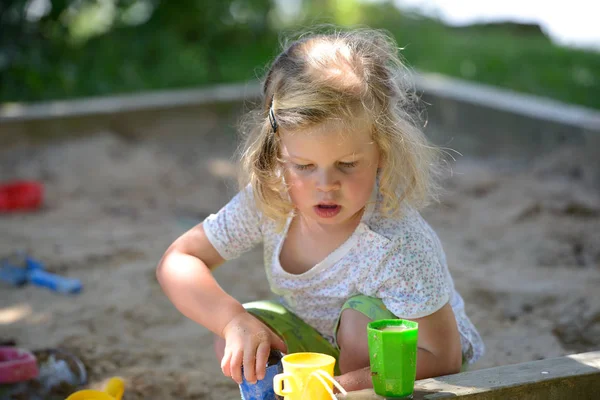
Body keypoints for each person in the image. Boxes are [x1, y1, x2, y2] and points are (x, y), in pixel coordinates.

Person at [156, 27, 484, 392]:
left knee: (360, 321)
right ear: (276, 153)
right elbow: (180, 259)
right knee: (244, 338)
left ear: (382, 152)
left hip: (401, 364)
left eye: (347, 164)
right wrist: (232, 321)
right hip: (322, 343)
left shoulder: (397, 243)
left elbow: (443, 357)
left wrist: (339, 388)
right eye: (304, 166)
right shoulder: (271, 200)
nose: (325, 185)